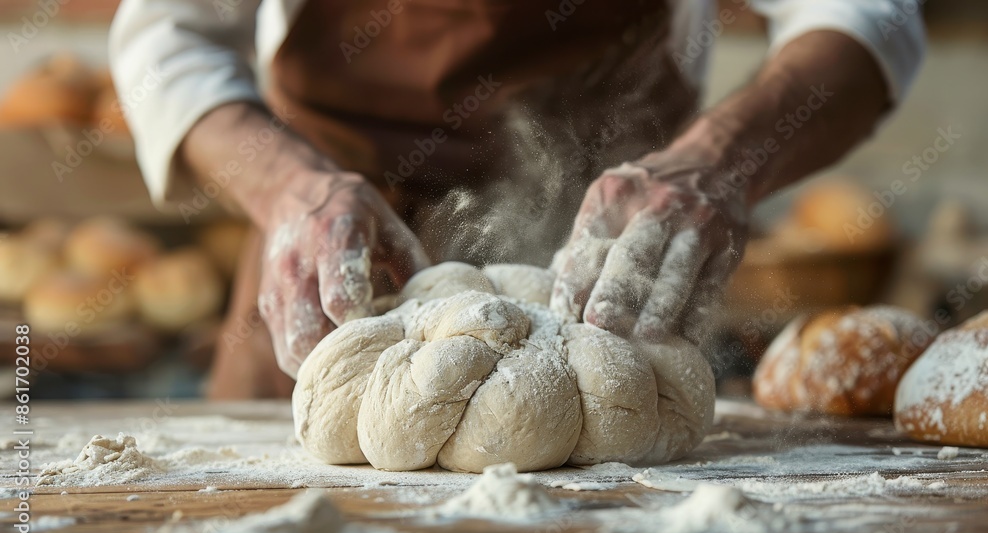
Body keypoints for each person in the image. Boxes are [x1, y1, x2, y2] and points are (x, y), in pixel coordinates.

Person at [109, 0, 924, 398]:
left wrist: (715, 162)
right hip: (327, 271)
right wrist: (293, 188)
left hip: (609, 271)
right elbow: (163, 38)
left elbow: (864, 13)